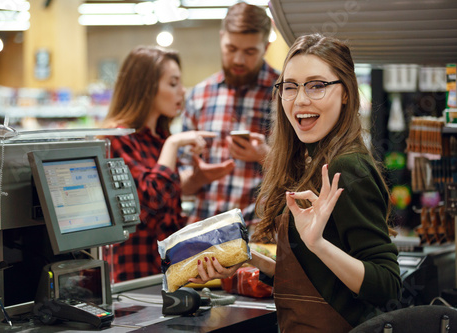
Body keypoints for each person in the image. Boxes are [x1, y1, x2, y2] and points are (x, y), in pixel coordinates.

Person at [189, 34, 402, 332]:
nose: (301, 100)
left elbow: (387, 286)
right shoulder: (314, 160)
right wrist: (248, 259)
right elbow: (319, 278)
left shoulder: (346, 167)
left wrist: (318, 244)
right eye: (290, 87)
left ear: (345, 93)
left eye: (317, 86)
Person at [102, 46, 235, 282]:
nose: (182, 91)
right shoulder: (115, 140)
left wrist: (197, 180)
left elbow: (165, 197)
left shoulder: (158, 138)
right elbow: (150, 202)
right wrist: (173, 144)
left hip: (166, 271)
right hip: (134, 274)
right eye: (173, 84)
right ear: (146, 88)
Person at [180, 2, 279, 227]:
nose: (238, 60)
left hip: (259, 237)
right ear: (221, 37)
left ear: (266, 46)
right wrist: (197, 177)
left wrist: (265, 155)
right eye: (231, 49)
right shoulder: (199, 95)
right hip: (203, 235)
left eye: (250, 51)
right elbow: (181, 184)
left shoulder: (286, 93)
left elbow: (307, 175)